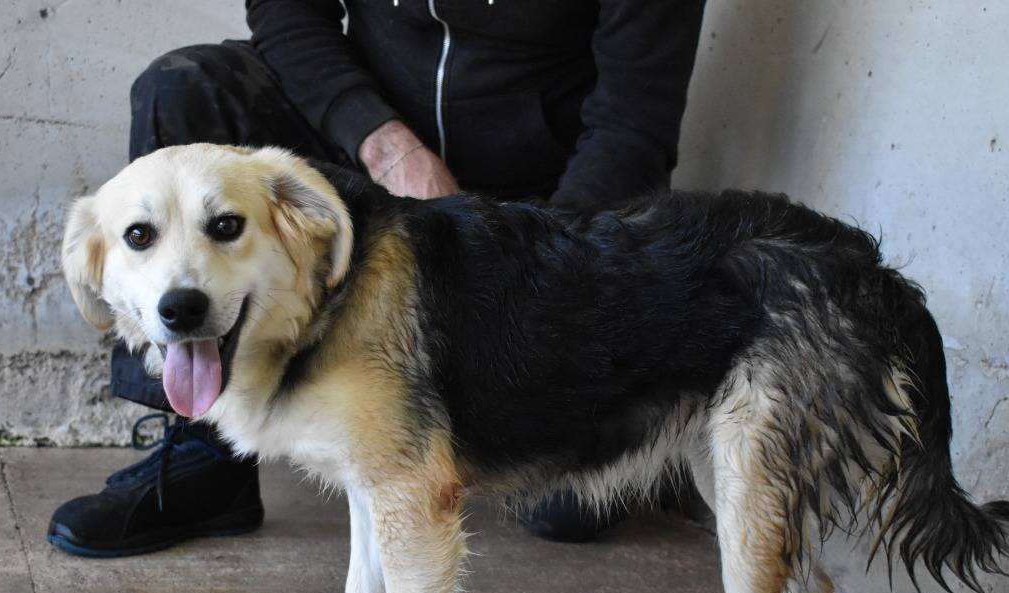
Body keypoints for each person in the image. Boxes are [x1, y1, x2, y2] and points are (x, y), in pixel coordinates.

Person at [47, 0, 708, 558]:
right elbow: (285, 9)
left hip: (542, 194)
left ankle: (641, 421)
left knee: (565, 508)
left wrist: (547, 265)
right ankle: (204, 453)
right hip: (366, 140)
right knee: (187, 85)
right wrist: (383, 143)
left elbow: (633, 125)